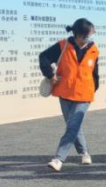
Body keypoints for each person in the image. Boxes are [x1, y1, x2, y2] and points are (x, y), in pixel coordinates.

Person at [40, 18, 99, 172]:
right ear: (78, 35)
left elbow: (95, 73)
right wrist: (50, 74)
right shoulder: (63, 46)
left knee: (73, 125)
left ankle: (58, 159)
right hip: (65, 92)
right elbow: (43, 57)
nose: (89, 38)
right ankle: (85, 152)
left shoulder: (94, 49)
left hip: (84, 94)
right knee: (73, 125)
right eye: (87, 35)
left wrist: (93, 89)